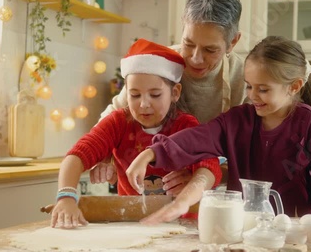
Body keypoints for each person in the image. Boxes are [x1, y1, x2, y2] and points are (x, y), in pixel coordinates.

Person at [125, 36, 311, 239]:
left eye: (263, 89)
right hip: (242, 231)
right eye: (249, 86)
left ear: (294, 87)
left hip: (293, 234)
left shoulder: (307, 124)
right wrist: (152, 152)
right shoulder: (238, 120)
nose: (253, 95)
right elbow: (199, 137)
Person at [51, 39, 222, 229]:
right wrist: (66, 196)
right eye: (135, 95)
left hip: (181, 223)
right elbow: (77, 155)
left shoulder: (185, 126)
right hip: (131, 223)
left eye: (155, 95)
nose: (143, 104)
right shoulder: (118, 123)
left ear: (175, 92)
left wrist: (193, 182)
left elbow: (210, 166)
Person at [90, 0, 246, 193]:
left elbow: (245, 153)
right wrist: (102, 157)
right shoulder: (159, 63)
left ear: (232, 42)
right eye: (188, 44)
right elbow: (115, 114)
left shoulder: (244, 78)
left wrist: (199, 177)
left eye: (210, 50)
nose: (195, 58)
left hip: (213, 190)